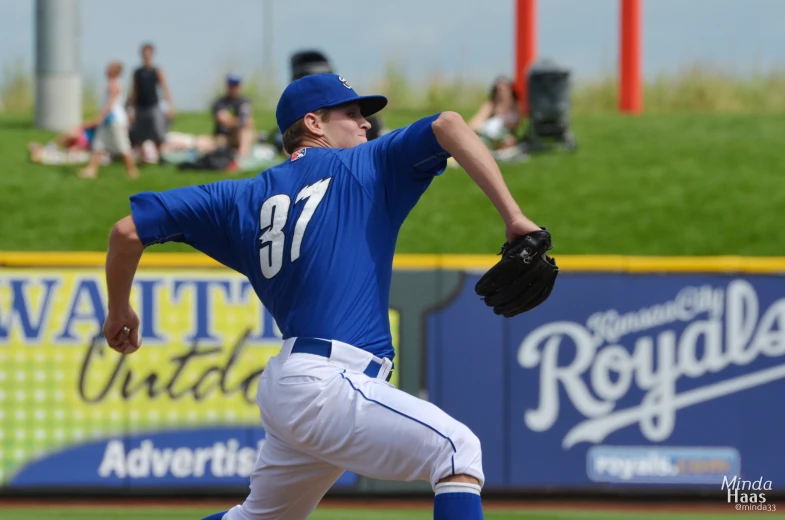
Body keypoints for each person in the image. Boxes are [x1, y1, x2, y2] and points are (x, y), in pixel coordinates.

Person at [102, 73, 541, 520]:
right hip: (327, 383)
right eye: (351, 114)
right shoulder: (367, 166)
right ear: (314, 123)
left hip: (293, 384)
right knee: (457, 453)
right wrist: (514, 216)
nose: (365, 125)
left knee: (259, 518)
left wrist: (119, 308)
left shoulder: (238, 196)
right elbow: (449, 123)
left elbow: (126, 231)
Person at [78, 61, 138, 179]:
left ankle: (132, 171)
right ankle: (92, 170)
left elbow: (110, 105)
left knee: (123, 146)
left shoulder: (114, 84)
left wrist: (100, 117)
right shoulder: (113, 83)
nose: (106, 70)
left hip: (114, 120)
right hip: (108, 120)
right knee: (98, 145)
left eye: (108, 68)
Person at [127, 42, 175, 162]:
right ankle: (143, 158)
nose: (147, 55)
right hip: (140, 107)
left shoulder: (157, 71)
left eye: (149, 53)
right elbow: (134, 90)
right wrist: (130, 108)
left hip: (153, 106)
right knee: (139, 134)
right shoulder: (137, 72)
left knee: (158, 133)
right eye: (145, 53)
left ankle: (160, 157)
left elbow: (165, 88)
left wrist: (169, 106)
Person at [468, 76, 522, 151]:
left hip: (507, 137)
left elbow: (516, 124)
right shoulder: (491, 105)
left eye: (505, 89)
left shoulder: (515, 106)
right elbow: (474, 124)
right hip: (488, 135)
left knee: (510, 141)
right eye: (499, 90)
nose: (502, 92)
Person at [211, 74, 255, 158]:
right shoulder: (220, 102)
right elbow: (223, 120)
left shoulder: (245, 102)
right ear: (227, 86)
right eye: (231, 85)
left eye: (236, 85)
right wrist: (238, 121)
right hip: (223, 136)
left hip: (239, 135)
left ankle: (242, 155)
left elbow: (246, 120)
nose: (234, 88)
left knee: (247, 130)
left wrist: (234, 121)